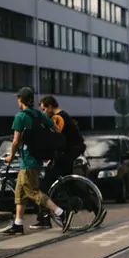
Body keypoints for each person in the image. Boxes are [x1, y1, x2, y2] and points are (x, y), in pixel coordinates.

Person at [5, 87, 70, 234]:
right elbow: (55, 127)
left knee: (33, 192)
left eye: (18, 98)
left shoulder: (20, 117)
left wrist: (10, 156)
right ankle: (18, 224)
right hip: (37, 158)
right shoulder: (38, 115)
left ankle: (60, 212)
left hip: (28, 161)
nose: (17, 100)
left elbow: (15, 141)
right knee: (20, 193)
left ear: (21, 99)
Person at [36, 95, 86, 229]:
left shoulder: (58, 118)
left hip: (64, 156)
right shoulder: (64, 116)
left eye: (44, 108)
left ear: (51, 106)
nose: (43, 112)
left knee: (43, 187)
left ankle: (46, 219)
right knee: (68, 185)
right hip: (68, 155)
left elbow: (56, 140)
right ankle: (94, 205)